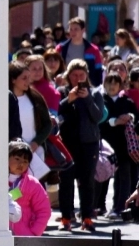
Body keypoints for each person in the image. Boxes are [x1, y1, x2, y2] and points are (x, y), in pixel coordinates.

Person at [58, 59, 106, 232]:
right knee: (66, 180)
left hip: (89, 143)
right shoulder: (62, 92)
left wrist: (87, 99)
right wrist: (68, 100)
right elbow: (57, 113)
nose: (78, 78)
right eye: (74, 75)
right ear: (68, 76)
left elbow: (97, 116)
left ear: (86, 76)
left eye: (81, 75)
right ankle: (66, 217)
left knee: (87, 182)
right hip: (68, 143)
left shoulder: (95, 93)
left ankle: (87, 217)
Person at [8, 60, 54, 180]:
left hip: (35, 154)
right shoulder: (5, 99)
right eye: (24, 78)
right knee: (15, 189)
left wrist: (35, 143)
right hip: (11, 155)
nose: (28, 81)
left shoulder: (35, 98)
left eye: (29, 77)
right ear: (13, 79)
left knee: (32, 188)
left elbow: (47, 125)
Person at [102, 73, 138, 219]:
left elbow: (136, 117)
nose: (112, 86)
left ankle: (120, 207)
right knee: (101, 177)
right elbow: (100, 121)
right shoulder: (102, 101)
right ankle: (98, 205)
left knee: (123, 178)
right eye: (109, 83)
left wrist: (130, 116)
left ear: (120, 85)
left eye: (115, 83)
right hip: (106, 146)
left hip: (124, 147)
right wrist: (114, 121)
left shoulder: (126, 101)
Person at [9, 143, 52, 237]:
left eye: (25, 161)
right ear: (7, 157)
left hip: (23, 236)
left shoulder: (33, 184)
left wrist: (34, 233)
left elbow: (44, 211)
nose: (21, 164)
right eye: (17, 159)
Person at [57, 17, 105, 86]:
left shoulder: (93, 50)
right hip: (66, 86)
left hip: (87, 86)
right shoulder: (61, 48)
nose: (73, 32)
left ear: (83, 30)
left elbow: (98, 71)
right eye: (71, 29)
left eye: (76, 29)